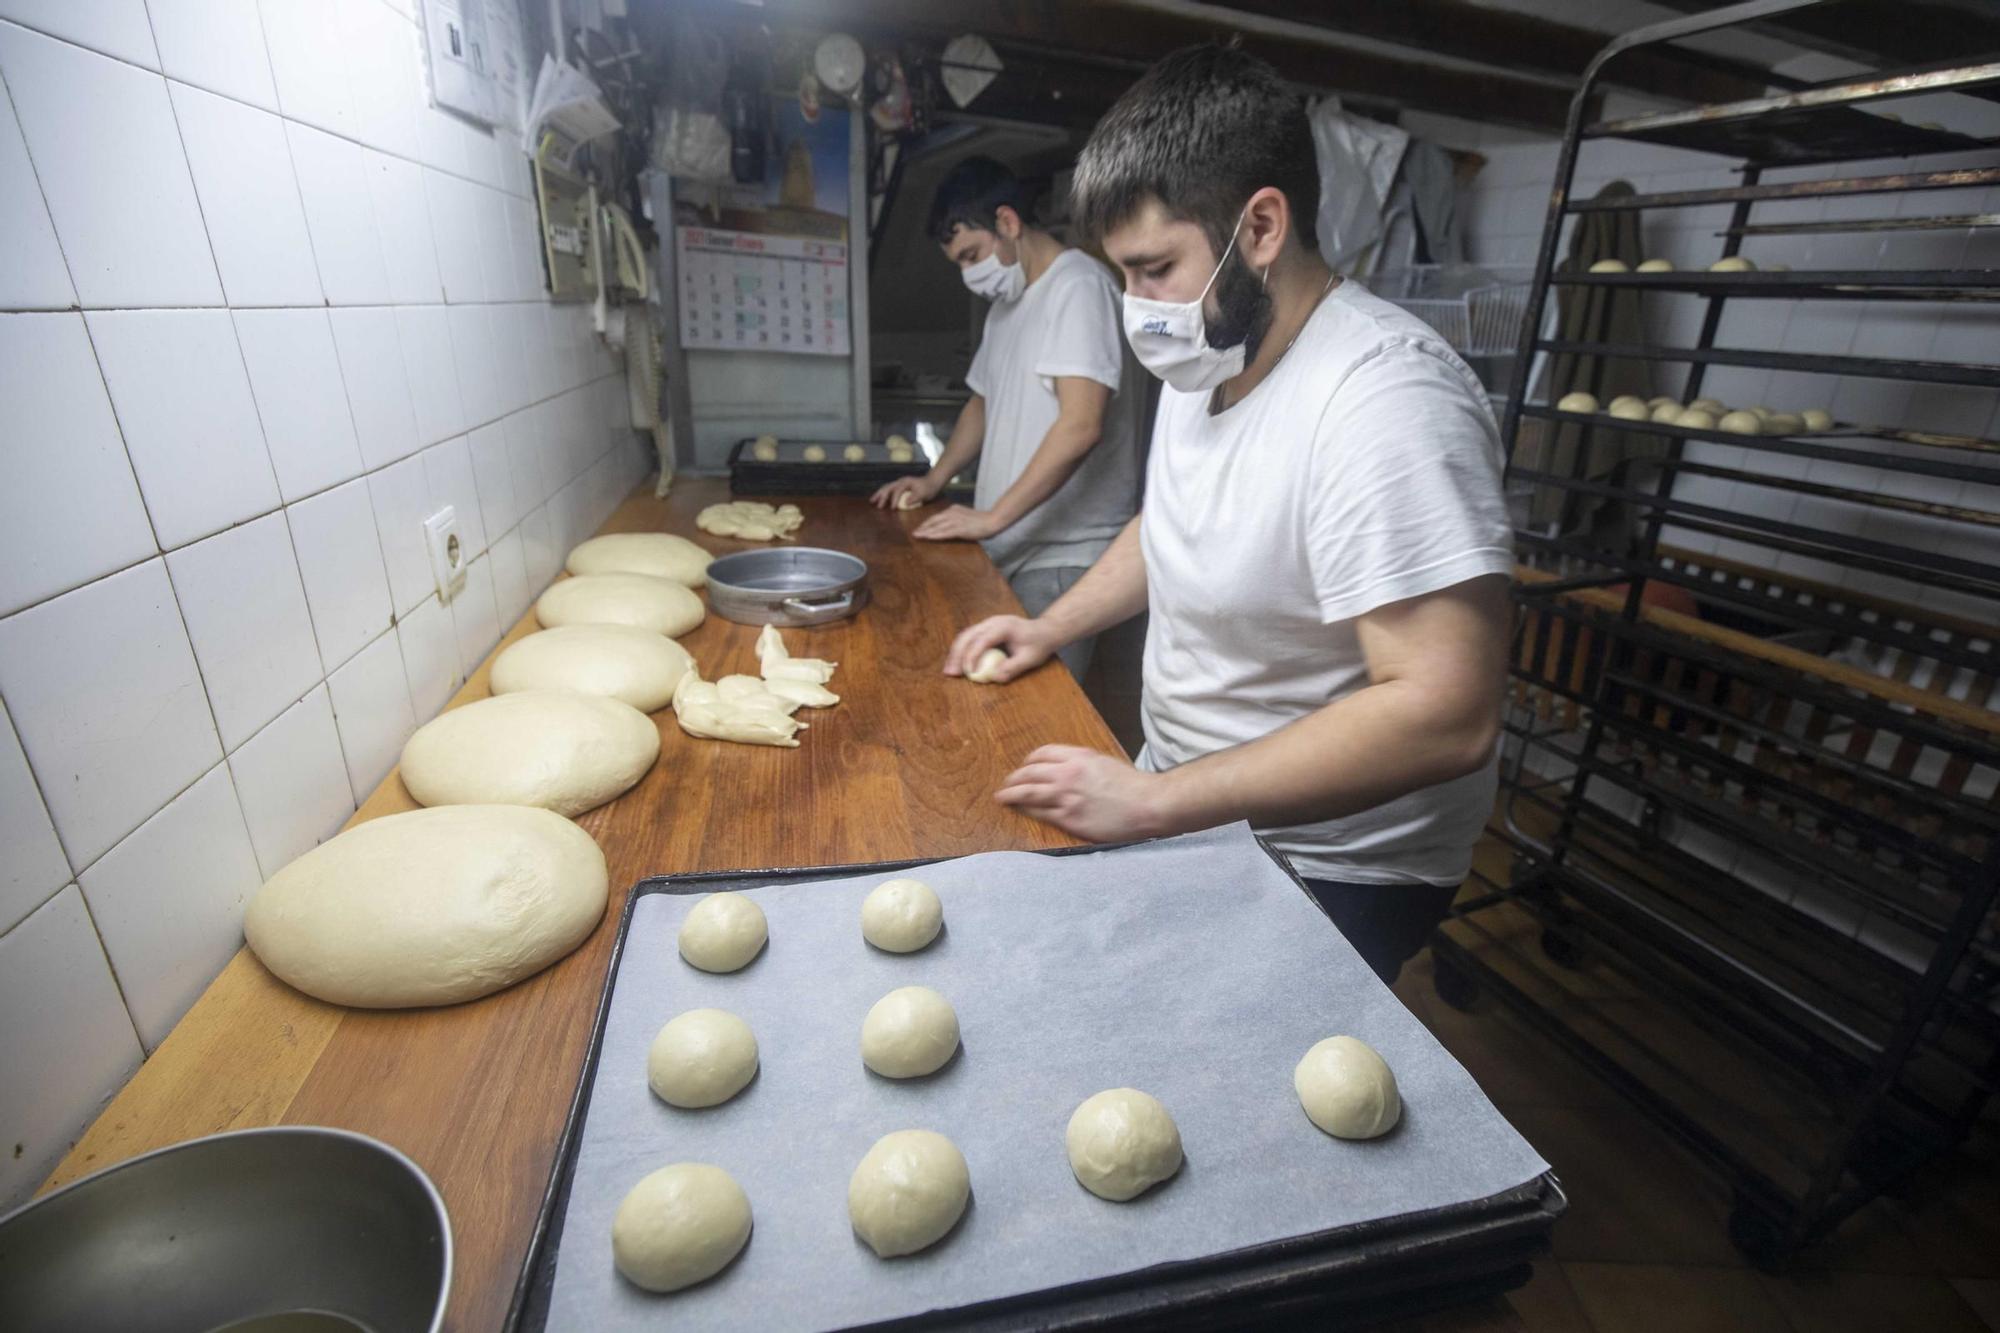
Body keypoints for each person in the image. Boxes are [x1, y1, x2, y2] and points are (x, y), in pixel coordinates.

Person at [941, 47, 1515, 984]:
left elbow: (1444, 710)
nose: (1136, 308)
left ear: (1259, 228)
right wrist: (1050, 625)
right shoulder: (1209, 349)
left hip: (1333, 864)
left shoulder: (1384, 400)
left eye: (1155, 267)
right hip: (1188, 795)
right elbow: (1172, 526)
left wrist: (1157, 805)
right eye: (1122, 275)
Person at [872, 156, 1142, 680]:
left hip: (1063, 552)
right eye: (958, 263)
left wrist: (993, 516)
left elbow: (1081, 425)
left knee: (1037, 705)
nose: (969, 273)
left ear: (1008, 223)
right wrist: (933, 479)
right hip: (1014, 539)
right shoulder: (1007, 308)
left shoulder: (1079, 289)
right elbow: (982, 403)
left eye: (972, 254)